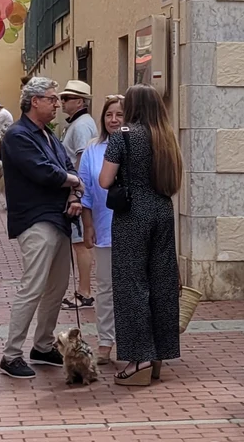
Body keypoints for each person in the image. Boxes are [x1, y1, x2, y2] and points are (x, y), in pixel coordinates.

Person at [0, 76, 82, 380]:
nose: (57, 103)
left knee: (56, 288)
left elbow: (67, 166)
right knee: (32, 287)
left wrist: (73, 188)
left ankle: (43, 346)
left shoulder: (48, 134)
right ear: (35, 101)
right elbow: (44, 172)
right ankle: (11, 354)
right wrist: (73, 182)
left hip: (58, 219)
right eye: (52, 98)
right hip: (35, 220)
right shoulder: (18, 135)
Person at [99, 84, 183, 386]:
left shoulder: (123, 135)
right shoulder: (166, 136)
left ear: (132, 106)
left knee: (131, 285)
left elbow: (105, 179)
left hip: (132, 215)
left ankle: (139, 358)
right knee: (161, 282)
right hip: (162, 210)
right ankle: (159, 353)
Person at [77, 94, 123, 366]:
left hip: (133, 229)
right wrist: (88, 224)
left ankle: (131, 340)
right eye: (109, 115)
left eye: (119, 115)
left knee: (131, 287)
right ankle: (105, 341)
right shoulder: (92, 150)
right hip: (104, 228)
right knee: (105, 288)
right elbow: (85, 190)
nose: (114, 120)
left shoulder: (137, 146)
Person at [59, 80, 98, 309]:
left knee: (81, 243)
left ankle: (84, 292)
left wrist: (77, 192)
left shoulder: (81, 125)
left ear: (80, 101)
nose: (63, 102)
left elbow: (82, 160)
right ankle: (84, 290)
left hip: (78, 193)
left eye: (67, 98)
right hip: (79, 191)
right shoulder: (79, 123)